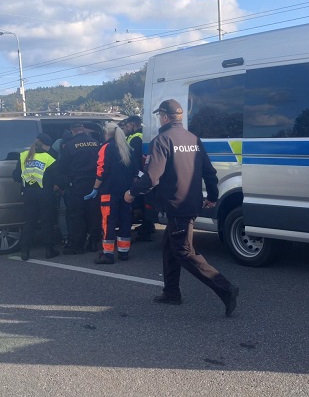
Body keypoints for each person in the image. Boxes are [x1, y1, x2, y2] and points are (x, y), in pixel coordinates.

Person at [124, 99, 239, 317]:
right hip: (190, 203)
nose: (159, 119)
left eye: (159, 116)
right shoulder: (193, 139)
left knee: (184, 252)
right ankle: (171, 293)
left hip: (177, 206)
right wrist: (212, 195)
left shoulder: (162, 140)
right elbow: (209, 171)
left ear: (165, 117)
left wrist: (132, 193)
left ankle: (225, 289)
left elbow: (152, 177)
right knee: (170, 248)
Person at [86, 122, 136, 264]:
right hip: (126, 192)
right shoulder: (127, 148)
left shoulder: (106, 147)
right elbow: (135, 171)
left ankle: (108, 254)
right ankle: (124, 252)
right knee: (125, 221)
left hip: (109, 191)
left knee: (108, 222)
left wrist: (95, 188)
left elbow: (102, 169)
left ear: (106, 133)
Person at [12, 133, 60, 261]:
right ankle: (49, 250)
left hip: (28, 193)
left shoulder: (23, 155)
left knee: (29, 222)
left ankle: (25, 252)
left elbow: (16, 176)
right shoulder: (48, 158)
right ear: (44, 146)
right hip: (45, 194)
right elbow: (57, 177)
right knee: (47, 222)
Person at [58, 123, 101, 255]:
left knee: (77, 216)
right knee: (94, 214)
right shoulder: (95, 143)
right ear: (83, 130)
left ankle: (78, 246)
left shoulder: (70, 145)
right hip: (94, 184)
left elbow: (62, 167)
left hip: (77, 185)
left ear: (72, 131)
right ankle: (93, 243)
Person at [120, 115, 156, 242]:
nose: (127, 128)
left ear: (132, 125)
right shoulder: (139, 136)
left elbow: (134, 160)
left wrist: (135, 176)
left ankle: (146, 231)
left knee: (145, 203)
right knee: (145, 203)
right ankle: (148, 226)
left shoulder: (136, 138)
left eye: (128, 125)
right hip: (144, 174)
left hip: (140, 175)